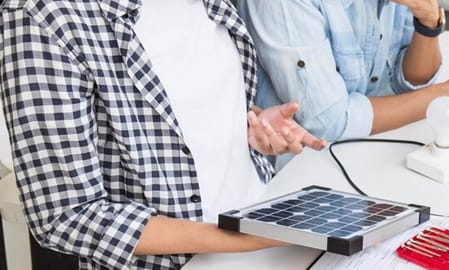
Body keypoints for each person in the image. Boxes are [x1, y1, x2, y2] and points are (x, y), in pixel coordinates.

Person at [0, 0, 327, 269]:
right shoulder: (41, 14)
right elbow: (66, 215)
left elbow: (183, 106)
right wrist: (246, 238)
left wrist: (251, 123)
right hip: (201, 258)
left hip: (269, 236)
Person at [238, 0, 449, 170]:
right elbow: (330, 121)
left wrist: (428, 20)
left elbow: (403, 86)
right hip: (297, 177)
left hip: (367, 155)